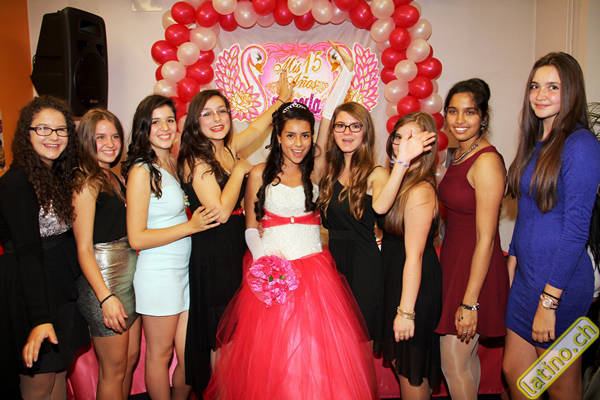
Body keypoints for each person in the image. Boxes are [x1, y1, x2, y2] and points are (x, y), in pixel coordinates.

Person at [204, 101, 378, 399]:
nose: (299, 143)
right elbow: (250, 227)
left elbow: (327, 127)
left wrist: (342, 82)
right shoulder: (259, 174)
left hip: (316, 278)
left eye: (305, 135)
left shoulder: (317, 172)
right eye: (291, 135)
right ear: (278, 137)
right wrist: (265, 265)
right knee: (276, 358)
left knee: (314, 357)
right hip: (274, 276)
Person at [177, 73, 292, 394]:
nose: (217, 119)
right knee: (220, 336)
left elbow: (256, 128)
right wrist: (241, 170)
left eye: (222, 112)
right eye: (207, 114)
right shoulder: (196, 159)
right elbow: (220, 212)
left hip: (232, 250)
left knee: (234, 333)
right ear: (195, 121)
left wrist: (281, 100)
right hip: (212, 255)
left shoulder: (225, 149)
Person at [503, 52, 600, 399]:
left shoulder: (581, 145)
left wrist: (549, 303)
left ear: (571, 91)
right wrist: (512, 260)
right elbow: (527, 213)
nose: (540, 95)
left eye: (553, 87)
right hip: (527, 280)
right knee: (515, 375)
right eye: (535, 86)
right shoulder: (536, 143)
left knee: (560, 386)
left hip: (560, 286)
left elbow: (576, 230)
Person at [122, 95, 219, 400]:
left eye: (169, 120)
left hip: (184, 272)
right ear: (144, 128)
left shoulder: (174, 163)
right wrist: (190, 227)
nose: (164, 127)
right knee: (160, 355)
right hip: (158, 275)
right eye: (155, 122)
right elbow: (136, 238)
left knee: (189, 355)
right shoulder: (142, 171)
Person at [317, 101, 435, 344]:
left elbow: (381, 207)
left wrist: (402, 161)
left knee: (359, 345)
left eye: (355, 126)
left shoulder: (376, 173)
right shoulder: (329, 173)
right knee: (334, 345)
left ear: (366, 132)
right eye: (340, 126)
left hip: (364, 270)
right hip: (333, 269)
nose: (347, 132)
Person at [0, 96, 89, 399]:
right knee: (39, 379)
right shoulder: (17, 182)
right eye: (43, 129)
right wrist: (40, 319)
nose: (53, 137)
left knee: (58, 372)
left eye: (61, 130)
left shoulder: (52, 176)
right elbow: (27, 253)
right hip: (30, 292)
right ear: (27, 132)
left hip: (58, 286)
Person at [434, 78, 509, 400]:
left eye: (470, 112)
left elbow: (486, 238)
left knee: (453, 361)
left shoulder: (487, 161)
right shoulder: (459, 154)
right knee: (465, 361)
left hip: (475, 270)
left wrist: (470, 301)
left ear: (483, 117)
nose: (459, 120)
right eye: (453, 111)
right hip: (455, 263)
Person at [72, 108, 141, 400]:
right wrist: (105, 298)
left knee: (128, 362)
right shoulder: (85, 182)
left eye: (114, 136)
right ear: (86, 140)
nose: (110, 143)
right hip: (103, 282)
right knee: (113, 370)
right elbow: (83, 249)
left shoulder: (112, 175)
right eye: (100, 137)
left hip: (127, 278)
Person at [380, 112, 442, 400]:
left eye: (411, 138)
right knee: (404, 367)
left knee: (411, 372)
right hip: (398, 281)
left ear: (427, 145)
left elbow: (414, 256)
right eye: (398, 137)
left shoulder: (420, 190)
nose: (401, 144)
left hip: (414, 289)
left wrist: (406, 312)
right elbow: (380, 209)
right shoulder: (400, 181)